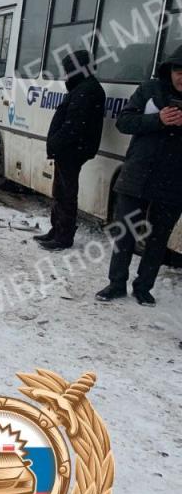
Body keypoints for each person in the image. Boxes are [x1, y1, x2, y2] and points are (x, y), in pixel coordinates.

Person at [96, 45, 182, 307]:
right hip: (137, 175)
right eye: (178, 71)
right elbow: (124, 121)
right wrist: (158, 120)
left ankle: (144, 288)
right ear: (170, 70)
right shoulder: (150, 90)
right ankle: (116, 284)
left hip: (175, 182)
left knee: (157, 240)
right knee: (125, 234)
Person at [34, 50, 106, 251]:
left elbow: (73, 126)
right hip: (71, 149)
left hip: (72, 150)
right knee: (60, 191)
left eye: (68, 70)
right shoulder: (83, 87)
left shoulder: (86, 90)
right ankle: (57, 230)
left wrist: (56, 143)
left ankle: (63, 236)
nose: (65, 74)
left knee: (66, 193)